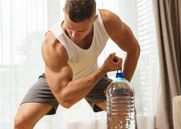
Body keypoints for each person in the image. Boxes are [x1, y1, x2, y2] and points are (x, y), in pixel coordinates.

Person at [14, 0, 140, 129]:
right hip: (59, 81)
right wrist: (103, 70)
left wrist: (122, 85)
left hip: (91, 72)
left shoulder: (107, 21)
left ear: (94, 19)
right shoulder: (53, 44)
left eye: (81, 31)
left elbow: (133, 49)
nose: (74, 36)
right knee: (21, 121)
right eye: (70, 28)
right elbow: (66, 100)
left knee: (124, 110)